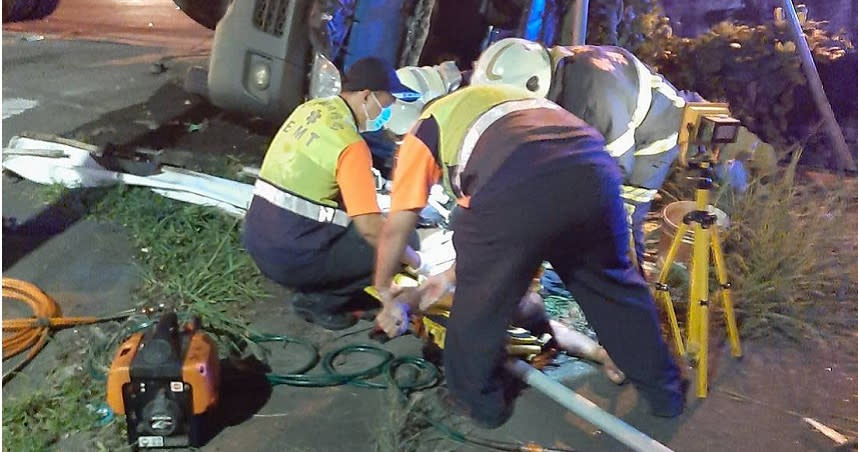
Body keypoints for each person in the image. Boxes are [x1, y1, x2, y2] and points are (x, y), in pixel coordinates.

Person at [373, 84, 685, 428]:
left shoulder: (424, 129)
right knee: (614, 288)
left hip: (519, 177)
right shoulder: (490, 99)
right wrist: (449, 276)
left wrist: (384, 288)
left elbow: (397, 224)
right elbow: (488, 245)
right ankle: (664, 392)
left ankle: (480, 404)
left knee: (479, 309)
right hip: (594, 169)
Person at [468, 38, 690, 270]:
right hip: (615, 116)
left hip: (651, 138)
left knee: (621, 225)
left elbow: (613, 172)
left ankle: (629, 293)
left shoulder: (592, 102)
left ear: (534, 86)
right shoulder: (549, 69)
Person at [242, 57, 428, 331]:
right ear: (367, 96)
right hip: (288, 258)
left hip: (257, 238)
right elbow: (372, 231)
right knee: (401, 238)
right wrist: (417, 261)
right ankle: (320, 301)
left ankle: (319, 284)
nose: (388, 113)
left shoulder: (310, 110)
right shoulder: (350, 145)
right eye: (387, 105)